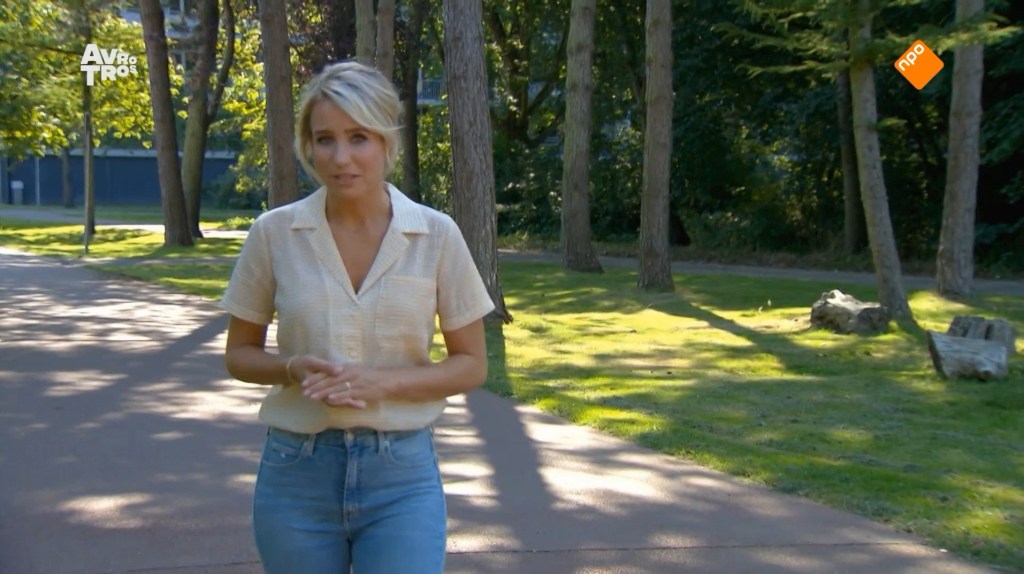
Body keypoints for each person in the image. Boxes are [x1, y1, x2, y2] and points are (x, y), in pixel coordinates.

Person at [221, 60, 495, 574]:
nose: (340, 158)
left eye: (358, 138)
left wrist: (382, 383)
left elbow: (471, 364)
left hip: (402, 475)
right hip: (296, 473)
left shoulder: (436, 235)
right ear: (308, 145)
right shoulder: (273, 234)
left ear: (387, 140)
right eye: (325, 139)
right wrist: (291, 368)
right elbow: (239, 354)